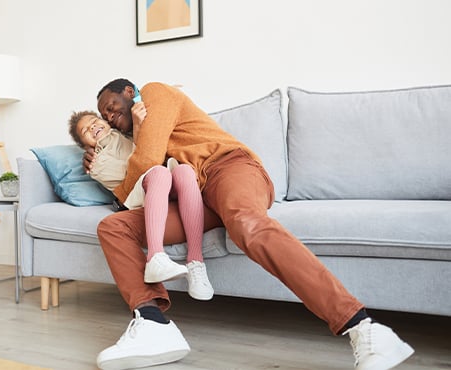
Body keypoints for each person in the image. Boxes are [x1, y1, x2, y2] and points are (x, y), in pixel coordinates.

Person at [86, 78, 415, 370]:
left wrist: (140, 151)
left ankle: (364, 326)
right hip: (197, 199)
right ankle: (153, 324)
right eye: (106, 117)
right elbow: (136, 191)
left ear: (130, 92)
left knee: (245, 223)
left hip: (229, 168)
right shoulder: (133, 137)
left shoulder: (155, 92)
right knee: (114, 227)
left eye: (113, 108)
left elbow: (144, 164)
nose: (112, 118)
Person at [68, 109, 214, 300]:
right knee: (159, 173)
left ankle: (196, 263)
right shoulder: (96, 163)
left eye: (95, 121)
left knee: (185, 171)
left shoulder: (123, 132)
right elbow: (137, 170)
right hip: (139, 190)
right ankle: (155, 257)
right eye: (86, 130)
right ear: (84, 144)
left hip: (162, 177)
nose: (93, 127)